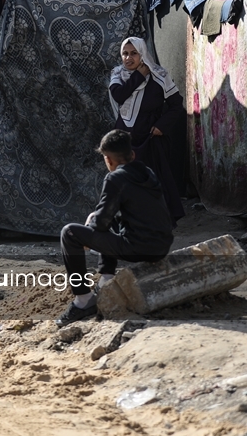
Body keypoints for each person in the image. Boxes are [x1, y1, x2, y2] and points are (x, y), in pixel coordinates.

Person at [56, 129, 174, 326]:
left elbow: (101, 223)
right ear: (133, 154)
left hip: (139, 248)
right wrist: (96, 220)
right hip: (161, 246)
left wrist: (89, 227)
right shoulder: (147, 172)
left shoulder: (115, 178)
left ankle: (83, 300)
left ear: (108, 160)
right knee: (108, 217)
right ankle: (106, 280)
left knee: (69, 233)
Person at [108, 36, 185, 224]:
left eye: (134, 53)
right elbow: (119, 95)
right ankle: (130, 220)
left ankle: (159, 220)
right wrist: (139, 76)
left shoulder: (159, 76)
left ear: (142, 53)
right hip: (125, 138)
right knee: (125, 179)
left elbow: (176, 105)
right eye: (125, 54)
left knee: (153, 179)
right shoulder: (118, 74)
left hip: (150, 138)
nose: (128, 58)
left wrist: (161, 126)